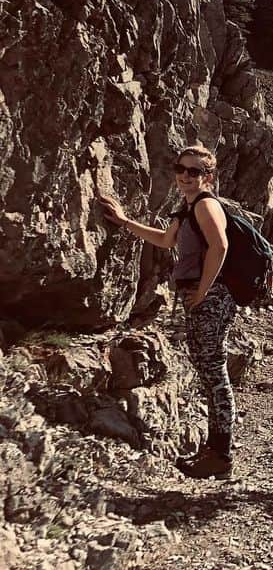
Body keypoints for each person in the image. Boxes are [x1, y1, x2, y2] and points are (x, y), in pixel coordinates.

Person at [98, 145, 237, 479]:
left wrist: (202, 291)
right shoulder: (186, 210)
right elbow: (165, 240)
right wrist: (124, 220)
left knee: (214, 373)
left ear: (209, 176)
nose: (185, 176)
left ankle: (221, 456)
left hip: (211, 296)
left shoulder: (205, 205)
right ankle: (214, 452)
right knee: (208, 371)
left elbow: (220, 246)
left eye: (194, 171)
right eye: (180, 168)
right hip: (202, 295)